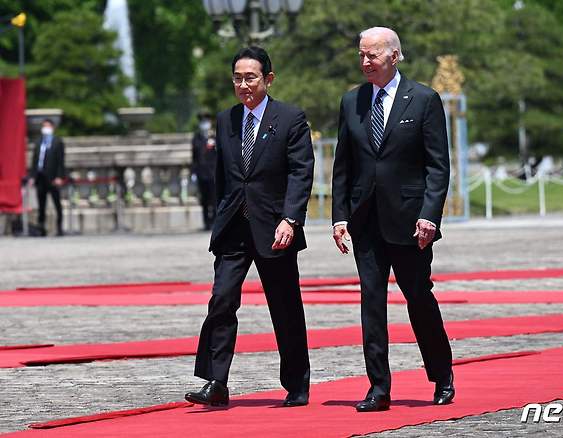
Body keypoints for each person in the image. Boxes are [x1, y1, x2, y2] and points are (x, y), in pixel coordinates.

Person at [331, 27, 454, 412]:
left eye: (373, 55)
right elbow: (342, 165)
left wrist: (429, 216)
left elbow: (438, 166)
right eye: (362, 55)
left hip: (410, 220)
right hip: (365, 219)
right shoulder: (352, 101)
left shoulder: (423, 100)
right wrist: (339, 216)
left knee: (417, 296)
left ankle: (441, 374)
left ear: (395, 56)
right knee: (371, 302)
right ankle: (378, 387)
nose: (366, 62)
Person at [185, 46, 314, 408]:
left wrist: (291, 219)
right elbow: (223, 176)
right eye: (238, 78)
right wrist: (218, 217)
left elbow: (301, 172)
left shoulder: (290, 118)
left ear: (268, 79)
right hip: (233, 228)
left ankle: (297, 382)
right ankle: (216, 381)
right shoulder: (226, 120)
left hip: (275, 228)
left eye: (251, 77)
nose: (243, 85)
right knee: (221, 300)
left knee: (284, 306)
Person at [29, 119, 65, 236]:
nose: (45, 128)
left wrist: (59, 176)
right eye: (44, 126)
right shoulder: (39, 142)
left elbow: (61, 161)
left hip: (53, 177)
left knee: (56, 203)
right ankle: (41, 227)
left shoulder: (57, 142)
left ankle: (59, 226)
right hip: (40, 177)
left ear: (52, 128)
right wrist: (32, 176)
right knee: (41, 204)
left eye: (48, 126)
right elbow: (34, 161)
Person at [191, 111, 217, 230]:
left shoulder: (215, 137)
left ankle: (215, 222)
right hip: (201, 173)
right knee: (204, 200)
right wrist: (193, 172)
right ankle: (206, 222)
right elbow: (194, 157)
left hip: (213, 173)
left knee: (214, 199)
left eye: (206, 121)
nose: (204, 123)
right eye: (202, 121)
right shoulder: (196, 138)